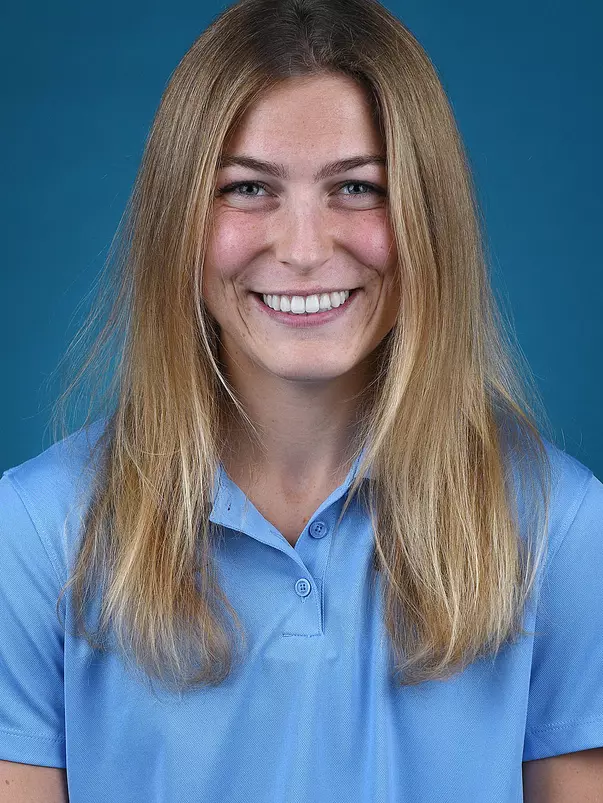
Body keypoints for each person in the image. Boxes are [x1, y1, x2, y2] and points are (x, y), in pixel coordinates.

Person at [1, 0, 602, 800]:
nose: (306, 248)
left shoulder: (560, 525)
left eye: (356, 186)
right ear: (177, 220)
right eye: (247, 188)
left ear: (429, 216)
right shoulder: (38, 529)